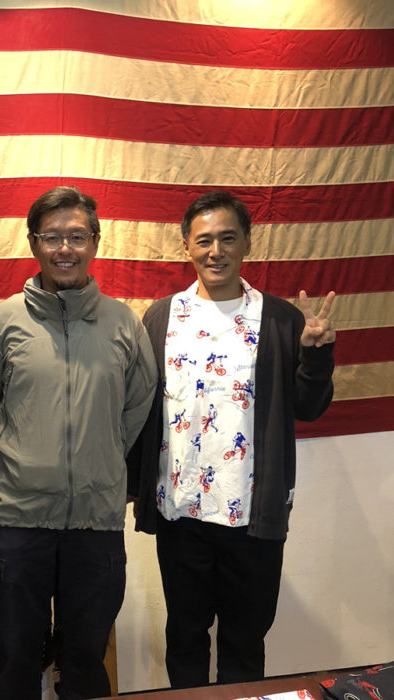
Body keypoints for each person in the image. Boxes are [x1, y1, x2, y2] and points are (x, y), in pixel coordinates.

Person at [128, 190, 336, 688]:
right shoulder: (161, 317)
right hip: (181, 513)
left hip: (251, 518)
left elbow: (308, 408)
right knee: (185, 639)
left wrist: (316, 356)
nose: (215, 251)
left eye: (227, 238)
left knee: (244, 645)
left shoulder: (281, 319)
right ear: (186, 246)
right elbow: (142, 408)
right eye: (204, 241)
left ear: (247, 243)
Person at [0, 185, 157, 700]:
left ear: (96, 241)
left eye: (77, 236)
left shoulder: (123, 323)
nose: (65, 248)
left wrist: (100, 459)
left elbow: (137, 408)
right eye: (52, 237)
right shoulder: (2, 322)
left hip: (96, 526)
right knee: (16, 665)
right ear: (34, 243)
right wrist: (14, 468)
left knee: (85, 664)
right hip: (18, 524)